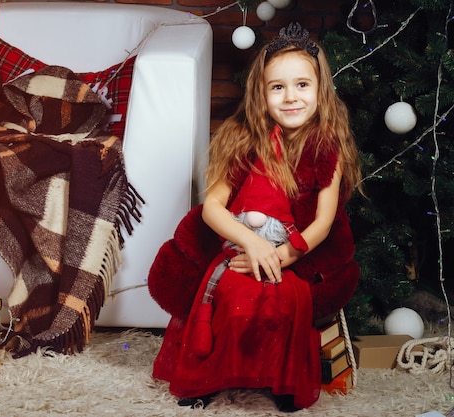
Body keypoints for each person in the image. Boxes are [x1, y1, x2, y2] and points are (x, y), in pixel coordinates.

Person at [148, 21, 362, 412]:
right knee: (232, 295)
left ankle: (281, 378)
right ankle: (206, 376)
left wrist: (283, 256)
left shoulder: (328, 147)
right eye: (277, 87)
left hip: (290, 252)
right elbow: (213, 208)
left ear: (320, 90)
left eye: (302, 85)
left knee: (287, 297)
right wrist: (252, 242)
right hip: (240, 248)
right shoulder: (241, 140)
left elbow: (324, 222)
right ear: (260, 93)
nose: (290, 97)